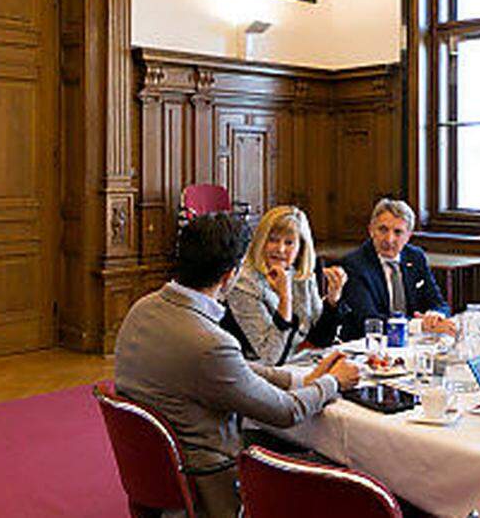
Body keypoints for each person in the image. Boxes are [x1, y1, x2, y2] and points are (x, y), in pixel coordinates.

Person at [114, 213, 360, 518]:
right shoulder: (210, 343)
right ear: (230, 276)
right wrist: (333, 383)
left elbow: (237, 368)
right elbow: (286, 412)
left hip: (155, 471)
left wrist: (303, 380)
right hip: (209, 483)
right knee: (338, 472)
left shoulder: (143, 307)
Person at [222, 206, 348, 365]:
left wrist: (332, 300)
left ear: (300, 249)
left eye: (289, 243)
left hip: (296, 364)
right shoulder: (243, 282)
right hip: (255, 370)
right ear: (261, 240)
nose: (280, 249)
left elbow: (320, 340)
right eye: (273, 240)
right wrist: (285, 299)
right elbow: (270, 356)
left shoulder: (301, 275)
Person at [338, 198, 453, 341]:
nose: (389, 239)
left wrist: (435, 317)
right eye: (383, 229)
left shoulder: (415, 257)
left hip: (412, 342)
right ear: (371, 230)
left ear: (408, 236)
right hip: (368, 345)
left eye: (398, 232)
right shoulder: (354, 264)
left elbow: (439, 303)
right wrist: (419, 325)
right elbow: (368, 320)